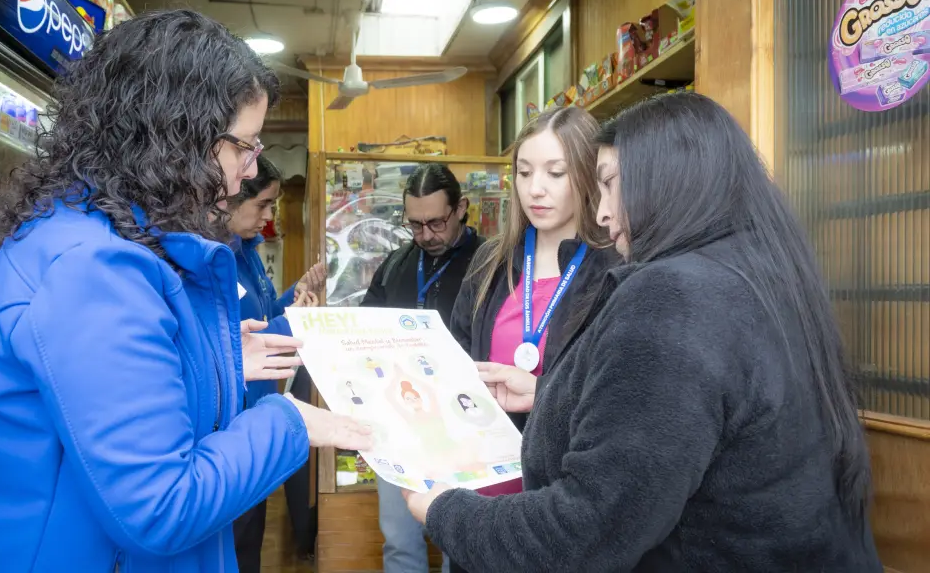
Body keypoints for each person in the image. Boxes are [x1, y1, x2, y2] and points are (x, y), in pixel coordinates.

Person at [0, 11, 370, 573]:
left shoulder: (98, 230)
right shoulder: (93, 270)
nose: (249, 171)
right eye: (243, 147)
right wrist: (290, 423)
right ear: (179, 137)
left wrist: (213, 361)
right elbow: (162, 504)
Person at [402, 93, 882, 572]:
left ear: (663, 182)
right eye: (524, 173)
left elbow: (588, 528)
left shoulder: (672, 294)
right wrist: (550, 392)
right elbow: (676, 414)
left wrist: (447, 511)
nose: (604, 212)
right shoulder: (761, 273)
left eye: (609, 183)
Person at [451, 107, 615, 435]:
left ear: (588, 175)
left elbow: (620, 393)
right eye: (524, 173)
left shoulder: (615, 268)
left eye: (555, 173)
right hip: (487, 461)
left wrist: (543, 393)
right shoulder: (490, 261)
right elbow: (456, 357)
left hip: (568, 470)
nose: (534, 189)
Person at [361, 163, 483, 573]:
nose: (426, 235)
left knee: (463, 545)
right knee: (399, 543)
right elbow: (364, 332)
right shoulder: (396, 264)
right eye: (415, 224)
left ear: (461, 208)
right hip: (398, 426)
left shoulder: (489, 264)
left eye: (436, 222)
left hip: (464, 427)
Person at [224, 154, 328, 572]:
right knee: (237, 541)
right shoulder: (216, 258)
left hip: (257, 419)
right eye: (263, 205)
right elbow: (248, 339)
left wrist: (295, 296)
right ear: (232, 199)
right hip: (234, 421)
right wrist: (295, 320)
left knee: (249, 539)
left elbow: (264, 315)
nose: (268, 217)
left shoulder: (247, 250)